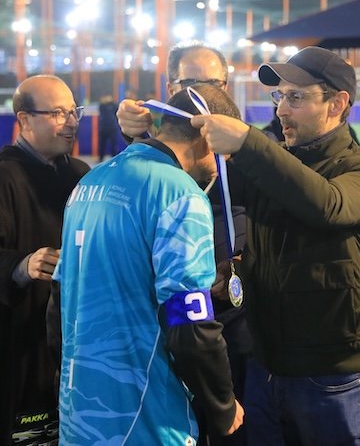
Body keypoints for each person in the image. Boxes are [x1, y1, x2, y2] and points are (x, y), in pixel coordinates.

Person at [120, 46, 360, 445]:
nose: (281, 110)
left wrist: (248, 142)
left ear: (337, 103)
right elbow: (195, 175)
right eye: (279, 97)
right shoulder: (270, 163)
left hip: (333, 375)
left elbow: (327, 205)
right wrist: (144, 135)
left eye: (295, 97)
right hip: (266, 367)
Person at [55, 84, 244, 444]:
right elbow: (189, 321)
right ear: (207, 139)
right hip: (144, 416)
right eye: (224, 155)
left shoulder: (89, 182)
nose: (220, 168)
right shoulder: (180, 194)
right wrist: (221, 402)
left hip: (79, 411)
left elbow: (58, 298)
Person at [121, 40, 251, 446]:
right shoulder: (152, 158)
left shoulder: (252, 146)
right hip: (175, 318)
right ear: (170, 88)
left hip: (234, 316)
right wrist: (131, 134)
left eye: (214, 83)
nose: (203, 94)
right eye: (191, 84)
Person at [0, 75, 89, 446]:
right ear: (24, 120)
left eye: (74, 112)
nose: (71, 122)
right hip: (26, 344)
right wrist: (21, 265)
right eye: (58, 113)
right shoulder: (3, 177)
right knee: (33, 436)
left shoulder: (80, 175)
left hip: (78, 341)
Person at [97, 94, 119, 162]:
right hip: (103, 128)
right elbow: (100, 109)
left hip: (112, 128)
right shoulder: (102, 106)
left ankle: (115, 158)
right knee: (102, 145)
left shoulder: (113, 105)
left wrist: (111, 102)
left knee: (114, 144)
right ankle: (100, 158)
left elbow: (117, 111)